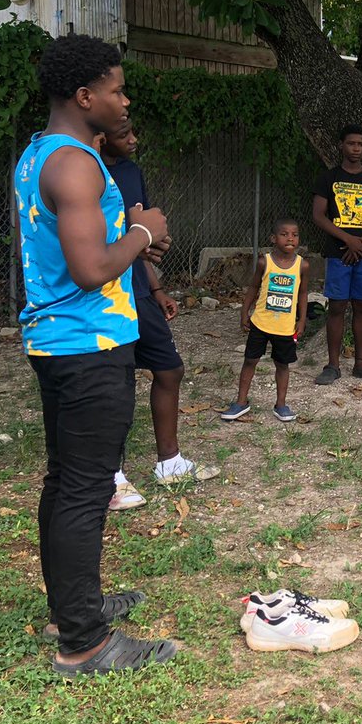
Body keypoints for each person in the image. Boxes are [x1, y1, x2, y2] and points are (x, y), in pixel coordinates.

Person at [16, 32, 177, 675]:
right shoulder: (76, 163)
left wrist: (131, 238)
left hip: (60, 342)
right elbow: (88, 270)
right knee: (85, 490)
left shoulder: (42, 153)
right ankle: (84, 642)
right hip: (89, 344)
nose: (125, 100)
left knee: (66, 482)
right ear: (85, 96)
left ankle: (72, 608)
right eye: (117, 89)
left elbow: (81, 249)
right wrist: (141, 231)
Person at [96, 122, 218, 511]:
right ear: (101, 134)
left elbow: (141, 241)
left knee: (169, 369)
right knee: (117, 383)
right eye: (125, 134)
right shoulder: (86, 172)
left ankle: (170, 463)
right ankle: (110, 477)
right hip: (104, 294)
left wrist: (156, 288)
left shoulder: (131, 172)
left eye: (134, 131)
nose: (134, 139)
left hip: (137, 290)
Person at [312, 125, 362, 384]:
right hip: (338, 253)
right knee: (336, 306)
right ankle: (333, 365)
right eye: (351, 143)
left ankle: (361, 364)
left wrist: (361, 242)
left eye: (360, 144)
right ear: (341, 145)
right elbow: (318, 215)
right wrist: (348, 240)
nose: (356, 149)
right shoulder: (329, 178)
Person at [222, 219, 310, 422]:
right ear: (273, 238)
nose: (290, 238)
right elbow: (253, 287)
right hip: (261, 322)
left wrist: (302, 320)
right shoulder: (265, 262)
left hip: (285, 327)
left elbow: (303, 293)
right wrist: (244, 312)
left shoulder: (302, 265)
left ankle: (281, 405)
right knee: (250, 360)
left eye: (295, 235)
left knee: (282, 364)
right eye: (284, 234)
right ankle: (241, 402)